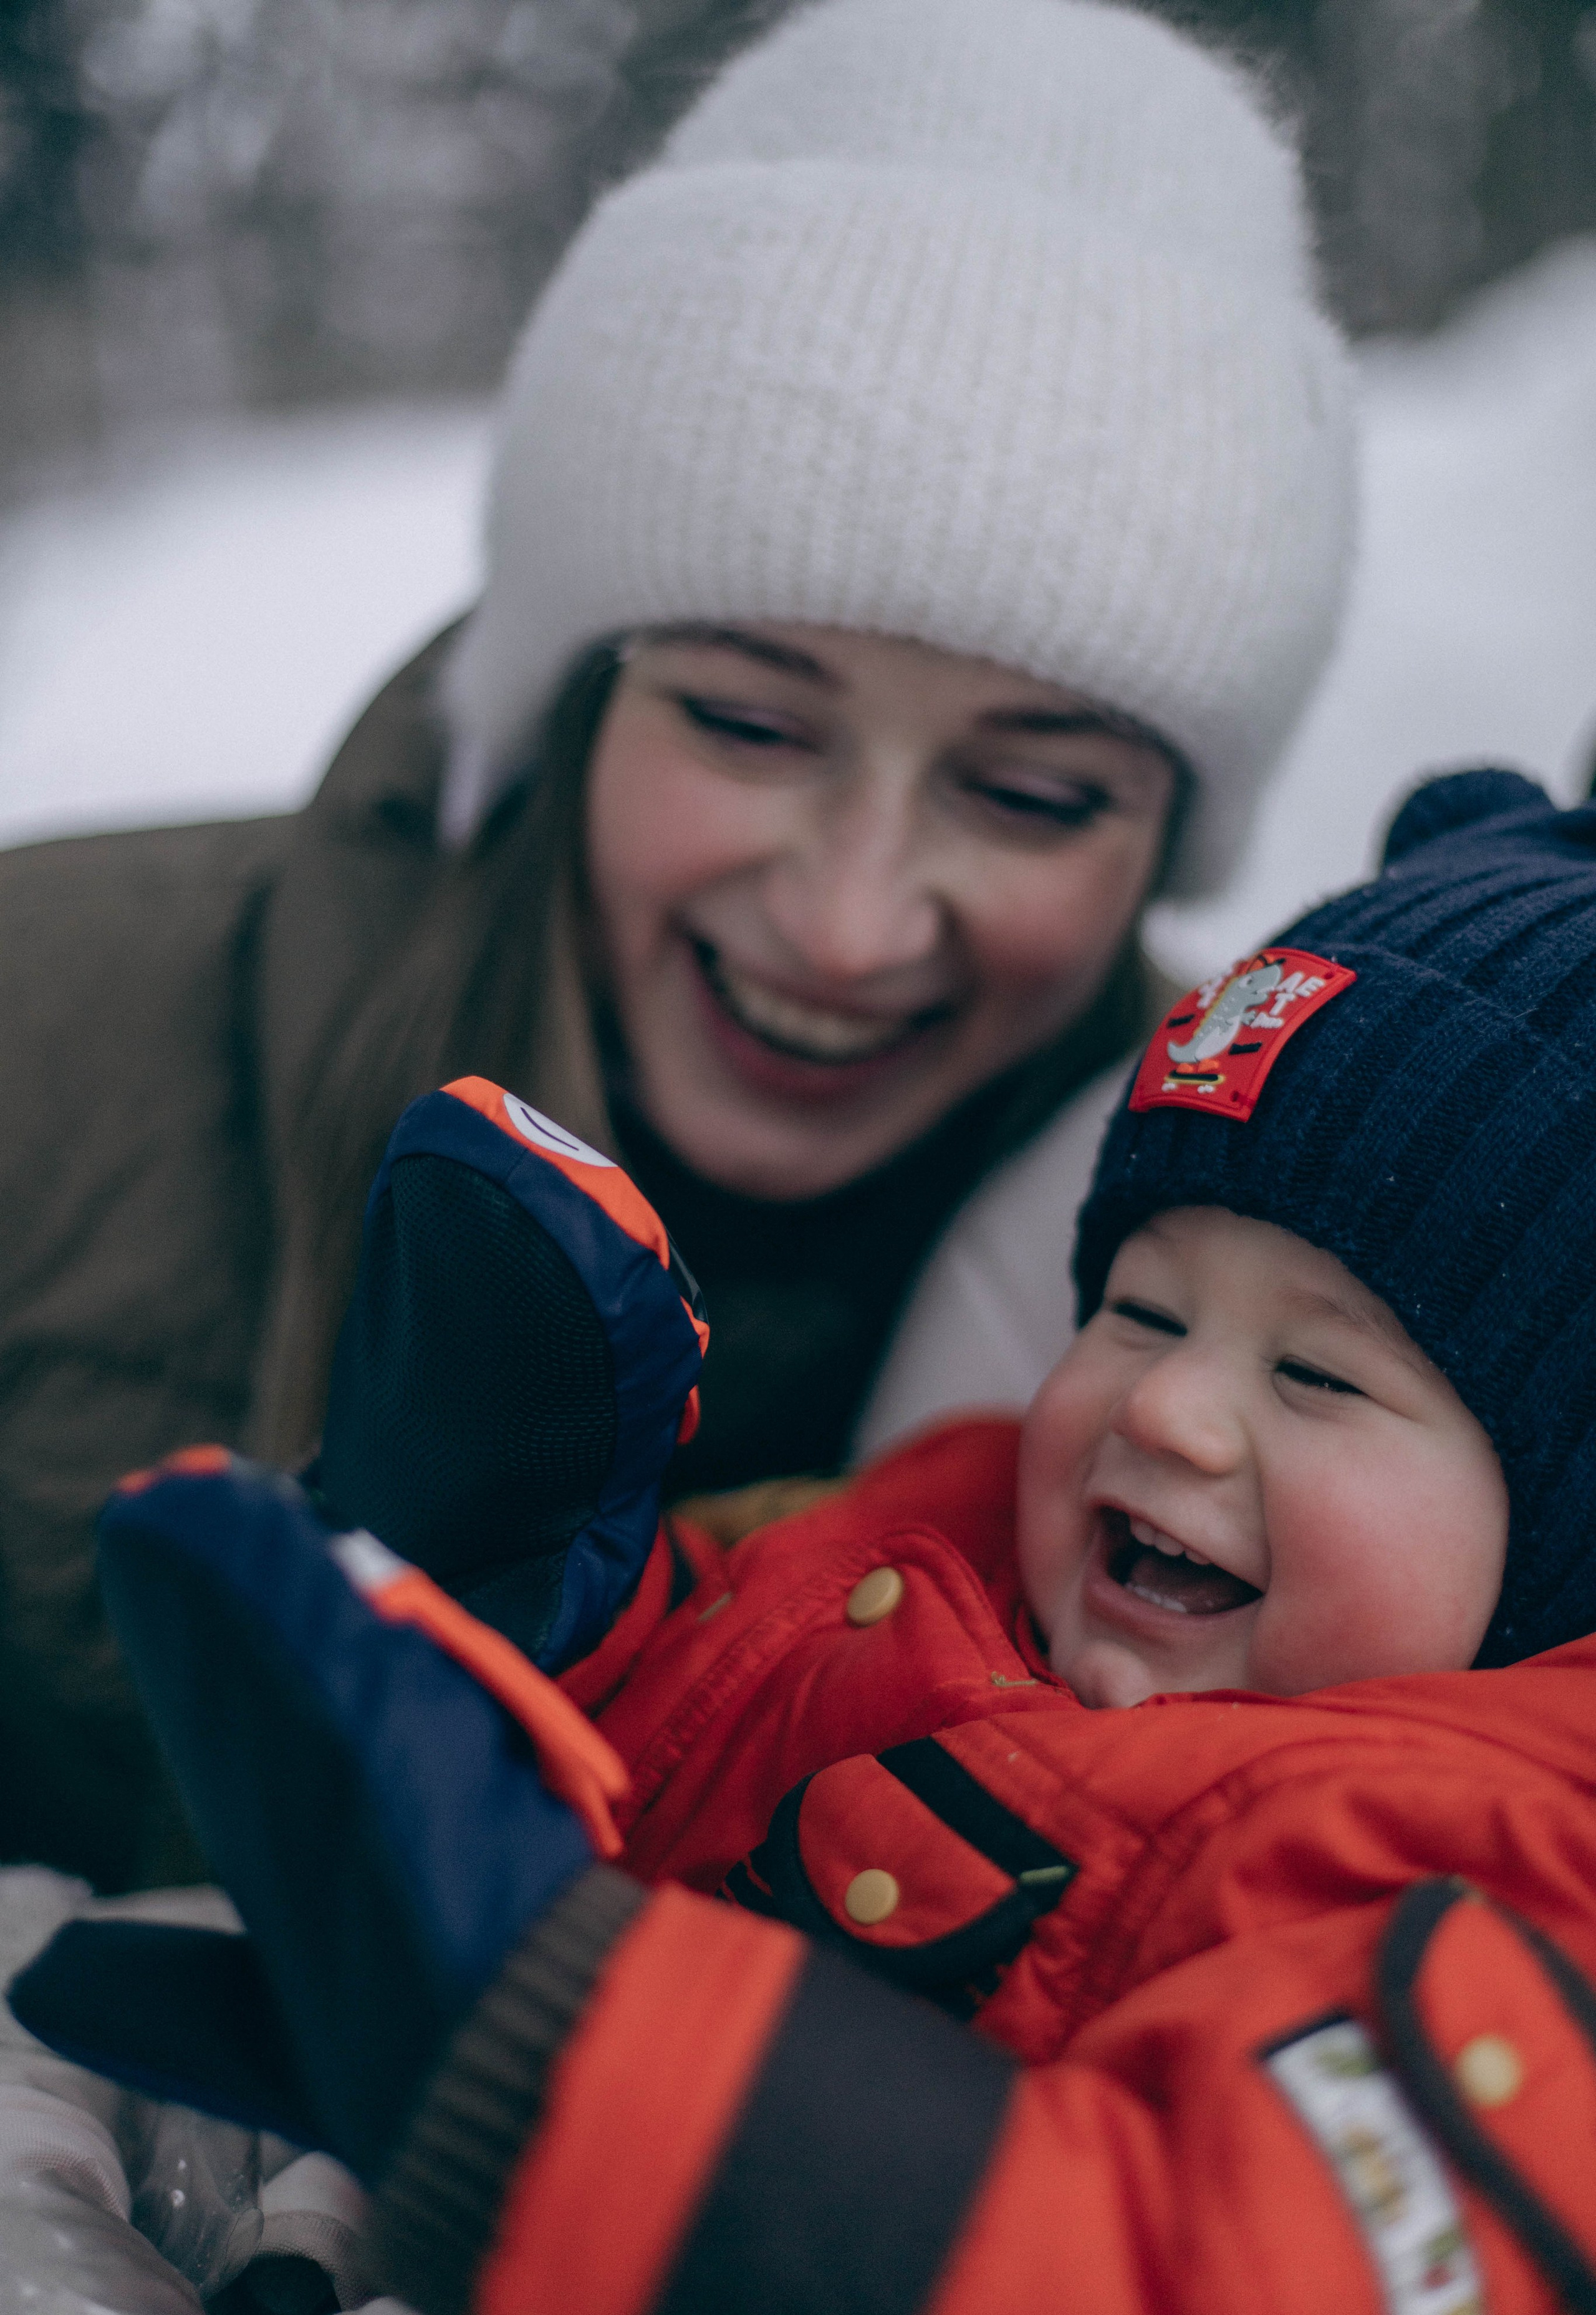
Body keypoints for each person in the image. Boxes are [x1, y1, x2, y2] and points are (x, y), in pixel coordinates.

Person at [19, 764, 1596, 2315]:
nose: (1168, 1405)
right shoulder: (954, 1543)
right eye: (1141, 1308)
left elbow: (1195, 2310)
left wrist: (536, 2038)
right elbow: (703, 1732)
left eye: (1320, 1380)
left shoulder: (1521, 1895)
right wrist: (534, 1605)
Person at [0, 0, 1354, 1892]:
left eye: (1033, 797)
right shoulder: (41, 1028)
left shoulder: (1310, 1296)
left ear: (1164, 843)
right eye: (747, 723)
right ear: (572, 698)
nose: (847, 919)